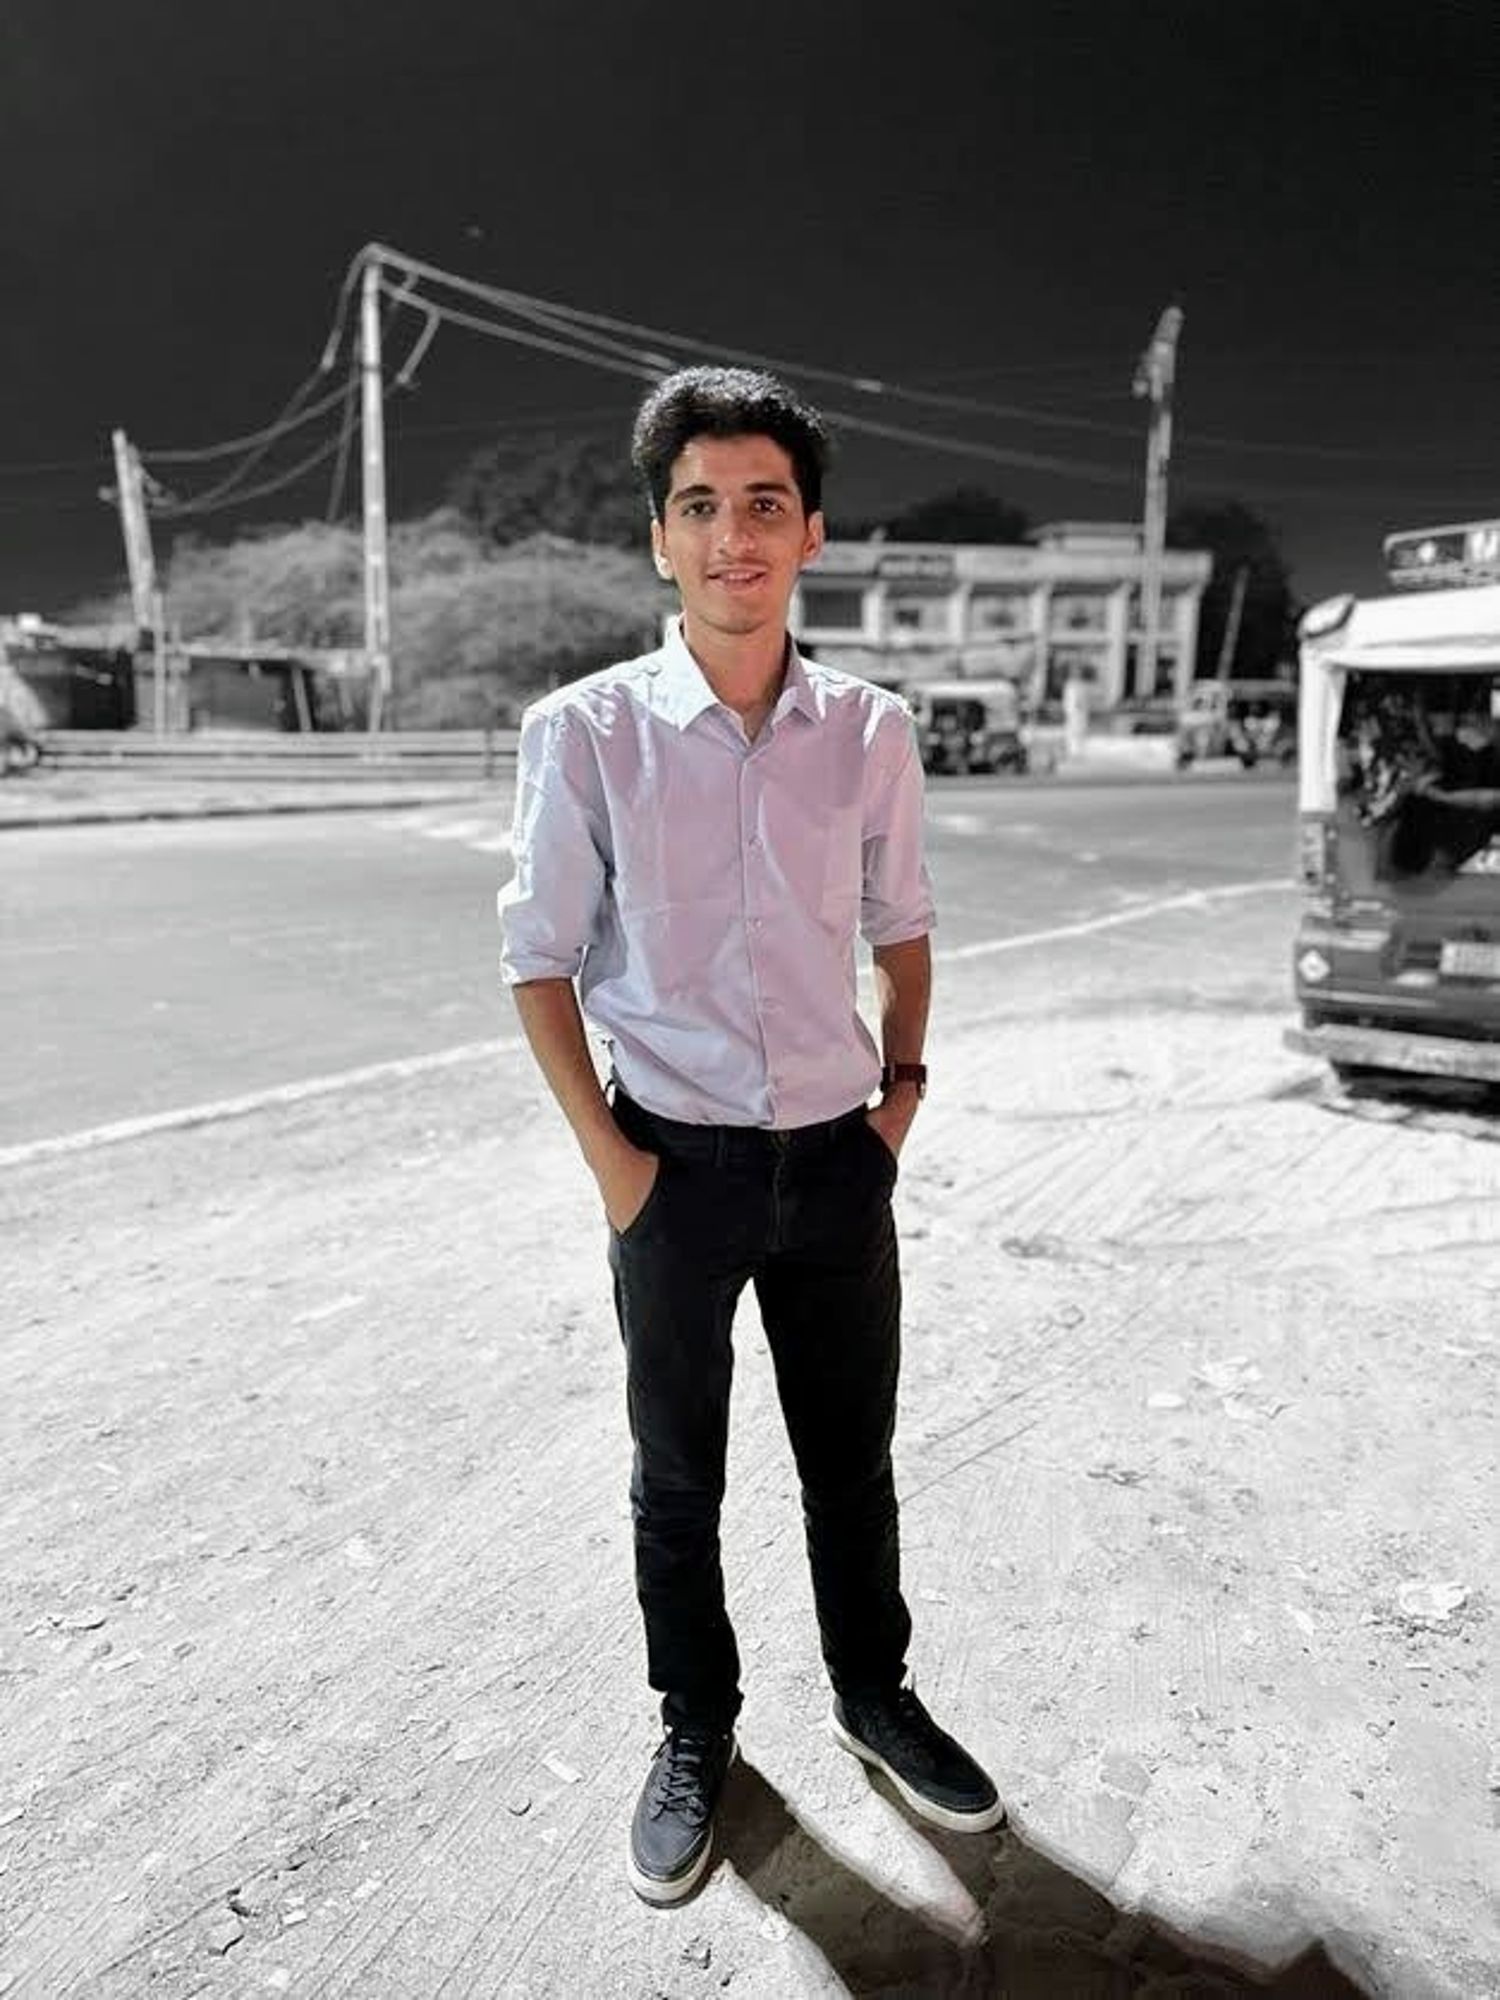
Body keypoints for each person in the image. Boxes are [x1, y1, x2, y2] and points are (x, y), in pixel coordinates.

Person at [497, 366, 1002, 1906]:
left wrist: (898, 1103)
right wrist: (618, 1171)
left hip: (839, 1164)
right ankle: (696, 1730)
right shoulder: (586, 735)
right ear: (661, 538)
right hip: (676, 1171)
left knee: (853, 1465)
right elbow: (537, 961)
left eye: (765, 504)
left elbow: (901, 928)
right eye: (701, 506)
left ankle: (874, 1696)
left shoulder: (870, 731)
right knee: (679, 1481)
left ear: (812, 532)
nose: (735, 536)